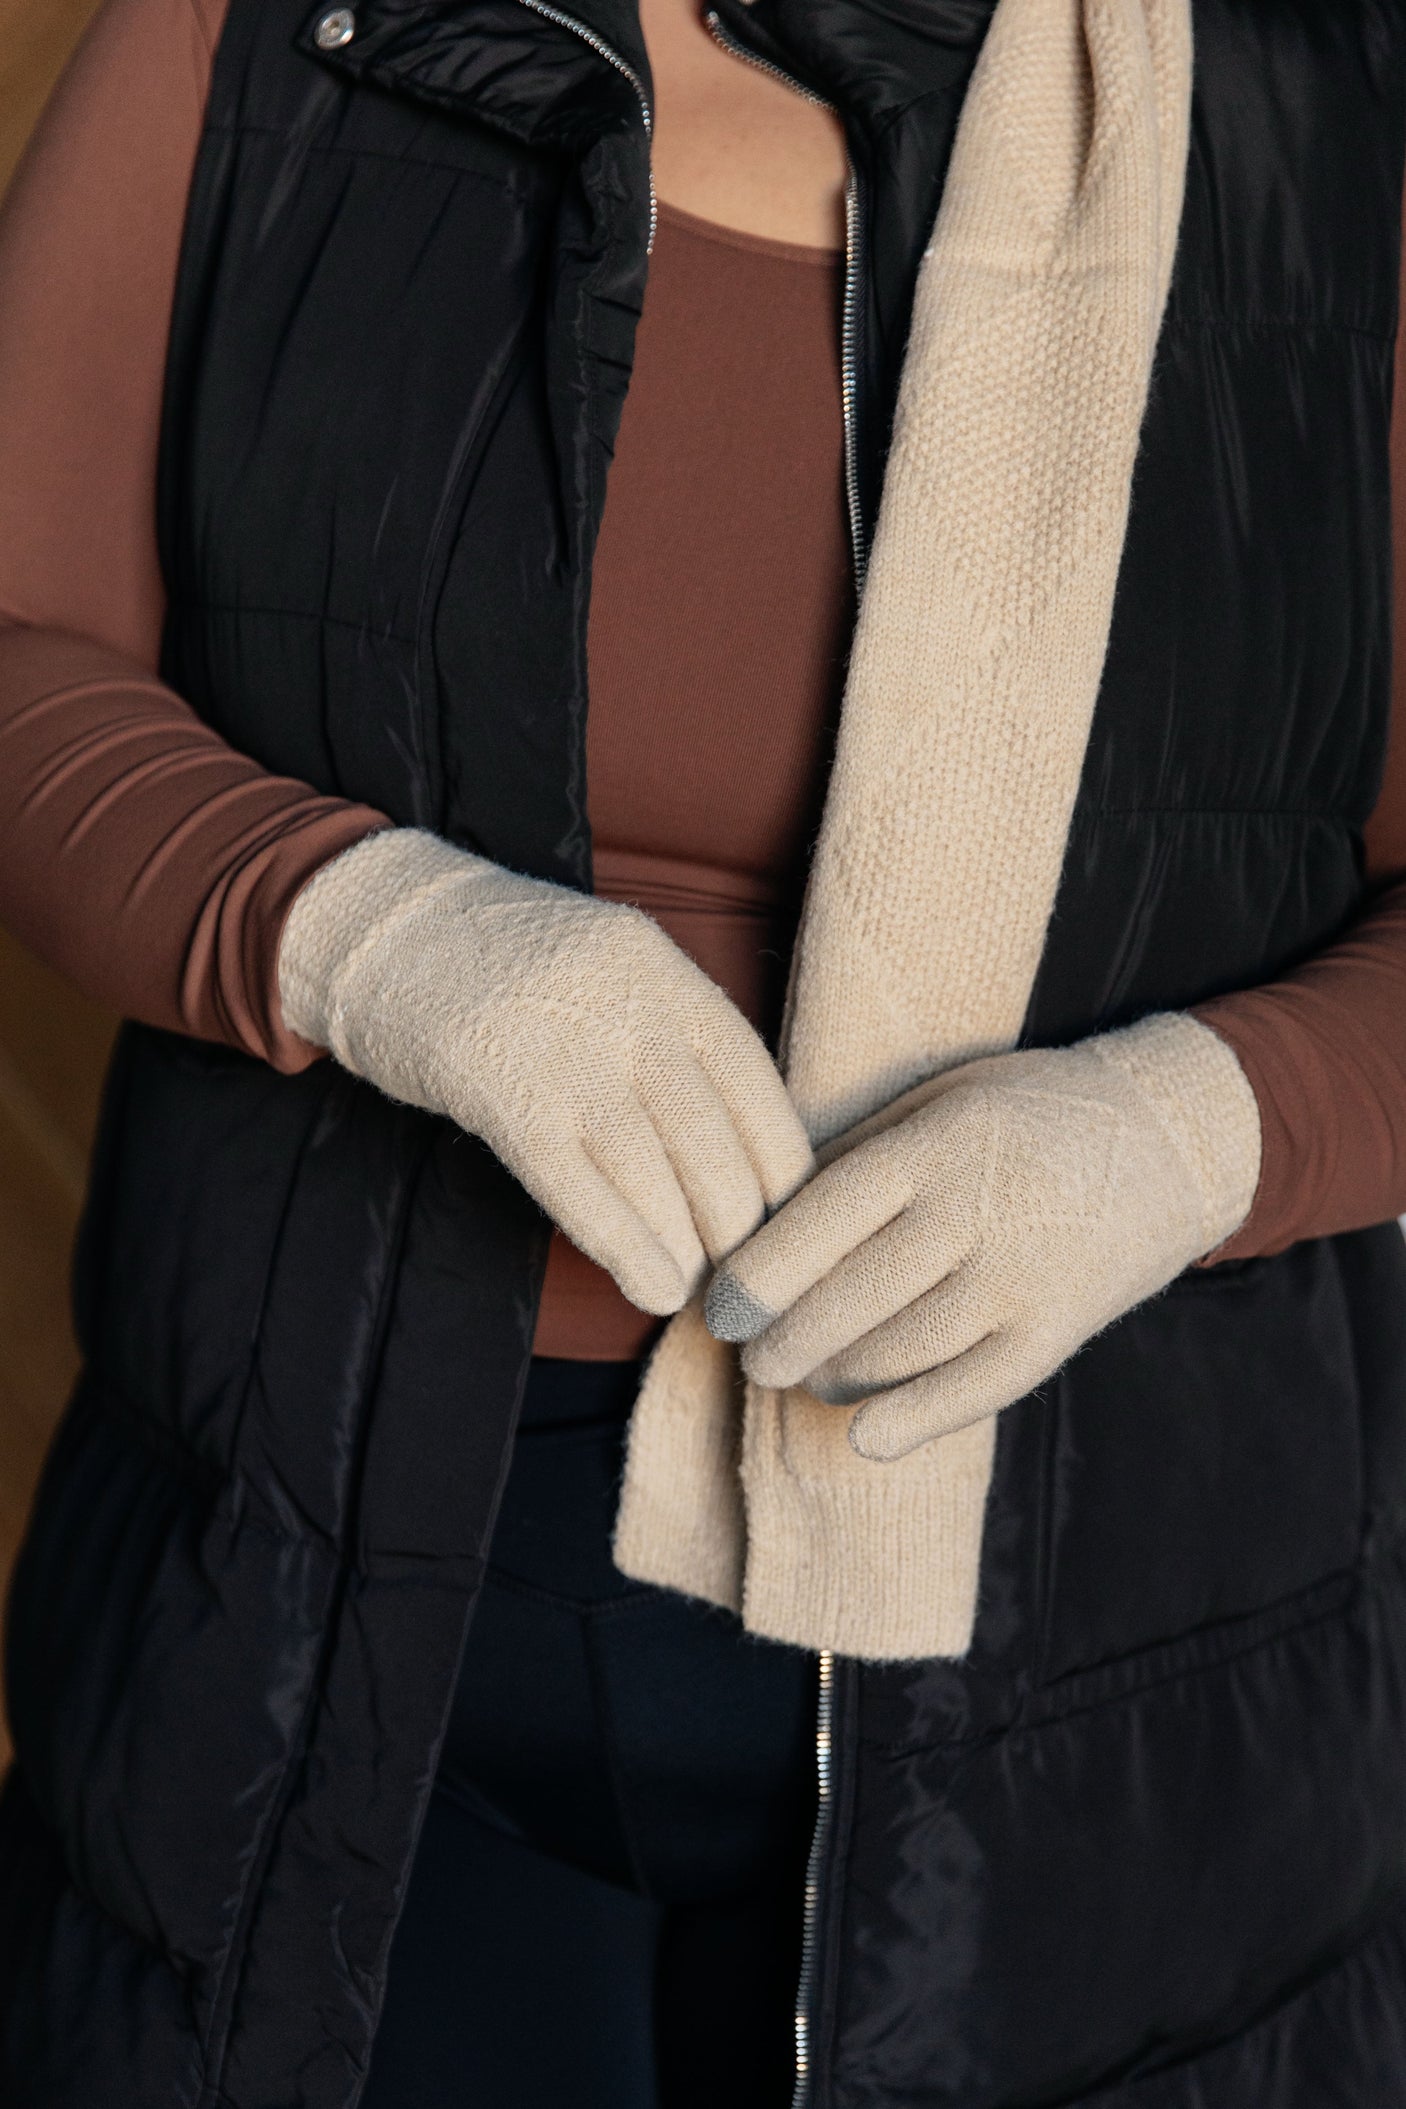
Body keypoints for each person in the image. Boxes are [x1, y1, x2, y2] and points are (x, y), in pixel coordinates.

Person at [2, 0, 1406, 2101]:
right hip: (320, 1570)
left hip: (1100, 1626)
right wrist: (380, 935)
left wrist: (1184, 1131)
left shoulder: (1331, 116)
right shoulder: (267, 39)